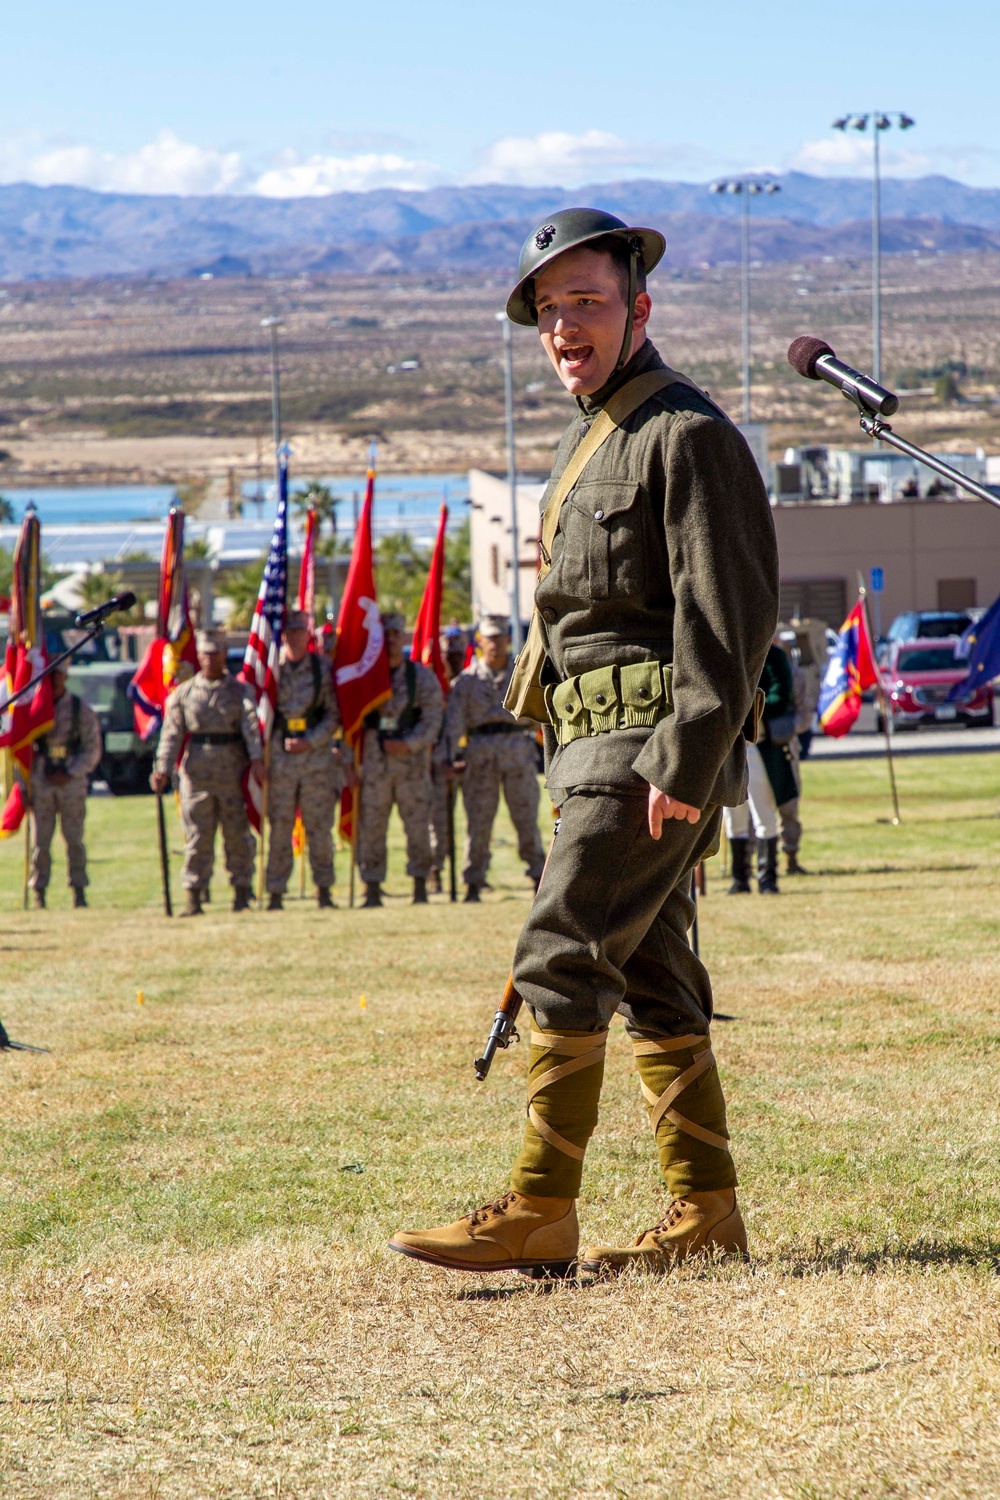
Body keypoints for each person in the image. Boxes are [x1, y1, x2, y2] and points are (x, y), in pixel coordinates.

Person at [390, 207, 777, 1277]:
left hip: (648, 750)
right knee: (653, 970)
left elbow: (729, 621)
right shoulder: (594, 432)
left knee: (561, 955)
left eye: (588, 302)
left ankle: (537, 1209)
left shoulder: (683, 435)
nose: (566, 326)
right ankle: (706, 1214)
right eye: (549, 310)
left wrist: (687, 763)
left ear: (638, 309)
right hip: (591, 747)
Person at [152, 627, 264, 915]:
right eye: (204, 654)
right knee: (197, 837)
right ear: (198, 656)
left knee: (237, 836)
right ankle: (194, 895)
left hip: (232, 772)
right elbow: (171, 735)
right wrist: (162, 768)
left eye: (215, 654)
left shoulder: (240, 692)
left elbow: (251, 727)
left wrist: (258, 759)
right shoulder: (184, 694)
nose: (209, 660)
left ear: (225, 655)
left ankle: (241, 891)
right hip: (197, 774)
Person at [446, 615, 546, 901]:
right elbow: (454, 724)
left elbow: (538, 716)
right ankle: (474, 881)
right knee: (478, 823)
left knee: (526, 820)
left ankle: (538, 877)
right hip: (480, 758)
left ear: (507, 640)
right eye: (489, 638)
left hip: (517, 754)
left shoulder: (523, 675)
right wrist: (449, 756)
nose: (495, 644)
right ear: (480, 641)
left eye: (499, 638)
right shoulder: (465, 682)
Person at [356, 612, 444, 907]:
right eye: (386, 635)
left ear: (403, 637)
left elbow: (433, 719)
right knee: (371, 828)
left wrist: (408, 744)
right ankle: (371, 888)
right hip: (375, 766)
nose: (391, 640)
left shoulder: (420, 676)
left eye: (395, 634)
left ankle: (420, 884)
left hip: (411, 767)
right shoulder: (366, 678)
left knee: (417, 826)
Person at [264, 609, 343, 910]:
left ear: (308, 634)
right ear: (282, 635)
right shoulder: (272, 669)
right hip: (282, 760)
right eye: (290, 632)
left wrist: (311, 741)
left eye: (300, 631)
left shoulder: (321, 669)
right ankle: (275, 892)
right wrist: (273, 749)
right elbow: (263, 714)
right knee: (281, 828)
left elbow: (334, 714)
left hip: (316, 760)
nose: (294, 637)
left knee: (319, 827)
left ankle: (324, 889)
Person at [28, 665, 102, 908]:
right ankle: (39, 891)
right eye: (49, 675)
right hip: (41, 780)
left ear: (66, 675)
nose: (54, 679)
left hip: (71, 782)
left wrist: (71, 771)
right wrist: (23, 785)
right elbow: (23, 747)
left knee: (74, 839)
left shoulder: (80, 710)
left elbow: (92, 748)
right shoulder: (34, 709)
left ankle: (79, 890)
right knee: (41, 842)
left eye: (58, 674)